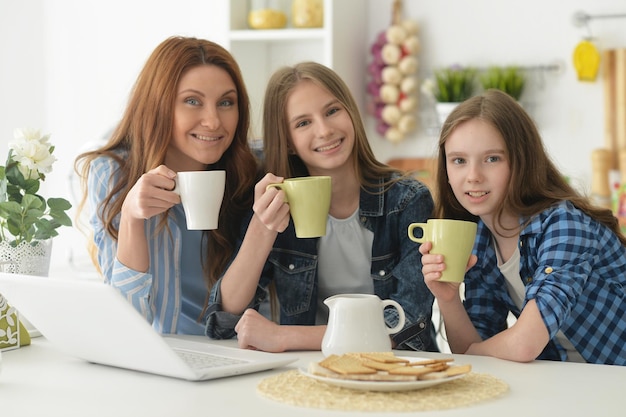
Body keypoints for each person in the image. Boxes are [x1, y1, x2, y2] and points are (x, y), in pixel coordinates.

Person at [206, 61, 437, 353]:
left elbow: (408, 324)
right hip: (307, 371)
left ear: (351, 113)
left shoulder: (407, 201)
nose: (325, 130)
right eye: (303, 123)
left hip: (395, 370)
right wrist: (261, 228)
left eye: (332, 111)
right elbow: (224, 322)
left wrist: (284, 337)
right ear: (288, 142)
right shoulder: (276, 203)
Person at [419, 89, 626, 365]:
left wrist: (471, 352)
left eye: (492, 158)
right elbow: (476, 344)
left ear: (521, 160)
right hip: (572, 382)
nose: (473, 177)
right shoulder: (480, 240)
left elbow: (523, 345)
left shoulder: (564, 225)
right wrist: (447, 298)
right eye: (459, 160)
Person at [75, 36, 258, 334]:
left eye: (226, 102)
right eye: (192, 101)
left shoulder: (251, 173)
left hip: (236, 351)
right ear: (158, 105)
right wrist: (133, 217)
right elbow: (126, 321)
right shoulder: (112, 173)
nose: (213, 121)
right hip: (158, 354)